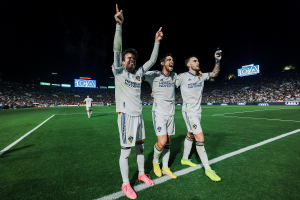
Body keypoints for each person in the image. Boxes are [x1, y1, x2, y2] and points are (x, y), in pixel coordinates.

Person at [112, 4, 163, 199]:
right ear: (123, 62)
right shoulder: (119, 71)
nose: (132, 60)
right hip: (125, 117)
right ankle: (126, 184)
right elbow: (117, 51)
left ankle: (141, 174)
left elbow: (151, 60)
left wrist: (156, 41)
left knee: (141, 147)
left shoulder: (138, 74)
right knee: (125, 152)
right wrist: (119, 26)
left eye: (133, 58)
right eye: (128, 58)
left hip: (139, 116)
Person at [175, 49, 222, 182]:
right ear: (188, 64)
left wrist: (217, 61)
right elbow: (170, 83)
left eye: (198, 60)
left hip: (198, 111)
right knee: (199, 137)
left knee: (190, 134)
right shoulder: (182, 76)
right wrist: (155, 92)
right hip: (189, 111)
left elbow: (215, 73)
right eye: (194, 61)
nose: (198, 62)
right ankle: (208, 168)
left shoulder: (201, 76)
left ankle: (184, 158)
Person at [143, 54, 177, 179]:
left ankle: (166, 167)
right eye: (169, 60)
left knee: (168, 141)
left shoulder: (174, 76)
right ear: (162, 63)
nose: (171, 61)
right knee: (162, 142)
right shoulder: (154, 74)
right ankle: (155, 162)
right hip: (159, 113)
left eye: (172, 60)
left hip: (171, 113)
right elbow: (139, 75)